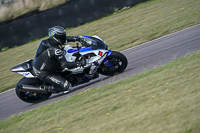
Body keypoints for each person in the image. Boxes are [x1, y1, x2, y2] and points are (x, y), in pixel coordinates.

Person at [32, 26, 86, 93]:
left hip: (44, 64)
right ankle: (44, 89)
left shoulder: (45, 42)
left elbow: (65, 39)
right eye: (61, 37)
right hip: (45, 73)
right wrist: (80, 63)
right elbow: (65, 65)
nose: (63, 38)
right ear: (56, 38)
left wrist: (77, 39)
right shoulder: (56, 51)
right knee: (67, 86)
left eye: (63, 36)